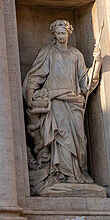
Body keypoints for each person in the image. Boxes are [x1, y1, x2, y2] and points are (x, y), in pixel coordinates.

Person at [23, 20, 101, 193]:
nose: (61, 36)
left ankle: (76, 173)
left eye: (63, 33)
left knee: (78, 139)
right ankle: (59, 173)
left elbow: (84, 83)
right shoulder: (48, 52)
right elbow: (36, 75)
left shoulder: (76, 55)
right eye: (58, 33)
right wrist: (30, 93)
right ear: (54, 34)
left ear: (69, 34)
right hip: (55, 101)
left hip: (73, 102)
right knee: (60, 136)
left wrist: (96, 64)